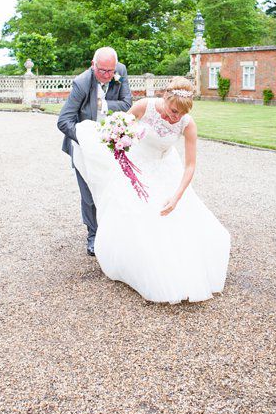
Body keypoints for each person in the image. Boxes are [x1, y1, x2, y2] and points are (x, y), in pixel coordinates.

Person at [72, 78, 231, 303]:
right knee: (133, 213)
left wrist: (177, 197)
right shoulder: (144, 106)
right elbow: (119, 132)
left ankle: (169, 268)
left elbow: (190, 165)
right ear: (165, 98)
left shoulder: (187, 124)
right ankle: (133, 262)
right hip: (134, 166)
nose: (174, 117)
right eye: (173, 111)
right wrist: (119, 147)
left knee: (170, 218)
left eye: (180, 114)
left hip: (164, 169)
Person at [57, 47, 133, 256]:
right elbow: (63, 121)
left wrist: (103, 104)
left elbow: (127, 104)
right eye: (102, 71)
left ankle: (114, 231)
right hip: (84, 146)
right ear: (93, 65)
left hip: (109, 143)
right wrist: (86, 138)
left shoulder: (121, 71)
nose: (108, 76)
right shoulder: (81, 83)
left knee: (113, 188)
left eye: (111, 71)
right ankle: (93, 235)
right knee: (89, 194)